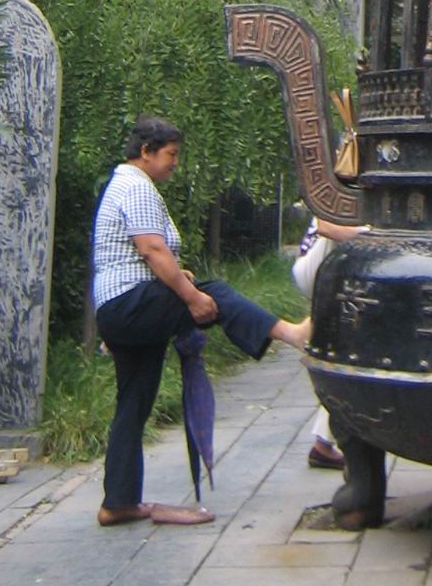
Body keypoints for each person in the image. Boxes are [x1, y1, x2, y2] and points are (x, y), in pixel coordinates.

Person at [93, 115, 311, 527]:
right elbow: (153, 251)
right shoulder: (135, 184)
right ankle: (290, 334)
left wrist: (182, 281)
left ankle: (118, 502)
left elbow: (148, 257)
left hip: (119, 306)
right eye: (172, 155)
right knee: (217, 294)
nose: (176, 163)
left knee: (133, 403)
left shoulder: (125, 184)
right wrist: (192, 297)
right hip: (130, 304)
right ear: (146, 152)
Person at [292, 216, 363, 468]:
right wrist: (370, 236)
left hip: (337, 271)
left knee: (349, 349)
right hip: (315, 266)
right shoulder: (343, 190)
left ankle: (323, 443)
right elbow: (327, 227)